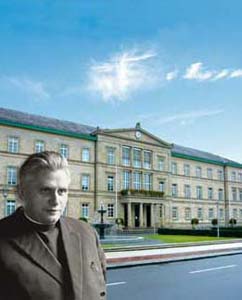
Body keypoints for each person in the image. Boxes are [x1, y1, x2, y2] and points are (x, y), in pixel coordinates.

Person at [0, 151, 106, 300]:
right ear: (21, 193)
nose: (55, 201)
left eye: (62, 191)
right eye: (45, 190)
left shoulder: (87, 233)